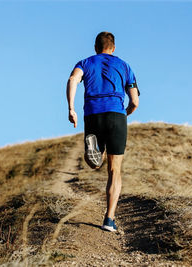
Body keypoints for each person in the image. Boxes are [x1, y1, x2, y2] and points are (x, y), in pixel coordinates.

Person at [66, 31, 140, 232]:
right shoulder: (125, 66)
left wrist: (71, 108)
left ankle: (95, 152)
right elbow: (134, 101)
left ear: (95, 48)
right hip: (116, 115)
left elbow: (73, 79)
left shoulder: (85, 62)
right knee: (114, 170)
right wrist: (124, 114)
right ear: (113, 48)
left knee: (95, 162)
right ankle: (109, 219)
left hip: (93, 114)